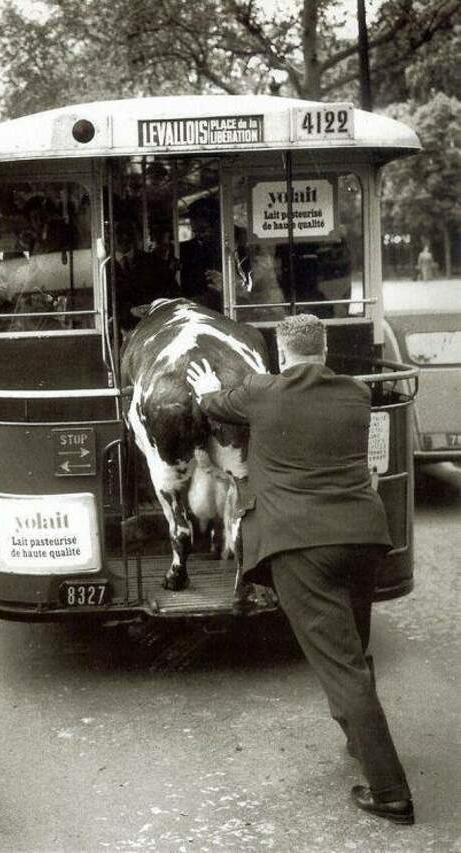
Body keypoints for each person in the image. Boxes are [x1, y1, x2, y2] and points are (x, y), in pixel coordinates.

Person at [186, 314, 414, 826]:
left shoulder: (262, 392)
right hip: (363, 539)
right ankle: (361, 739)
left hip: (300, 546)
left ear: (280, 353)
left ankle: (391, 791)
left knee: (342, 666)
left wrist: (205, 390)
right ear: (325, 349)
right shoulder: (356, 393)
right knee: (352, 649)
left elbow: (214, 404)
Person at [111, 221, 176, 330]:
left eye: (129, 232)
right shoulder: (103, 268)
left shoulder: (154, 262)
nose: (125, 237)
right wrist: (129, 311)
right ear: (109, 235)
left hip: (153, 328)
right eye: (119, 232)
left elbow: (172, 293)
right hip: (117, 332)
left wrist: (155, 306)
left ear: (137, 235)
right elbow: (104, 305)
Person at [178, 196, 224, 312]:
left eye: (203, 231)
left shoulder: (230, 248)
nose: (199, 236)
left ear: (217, 226)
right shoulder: (184, 250)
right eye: (195, 232)